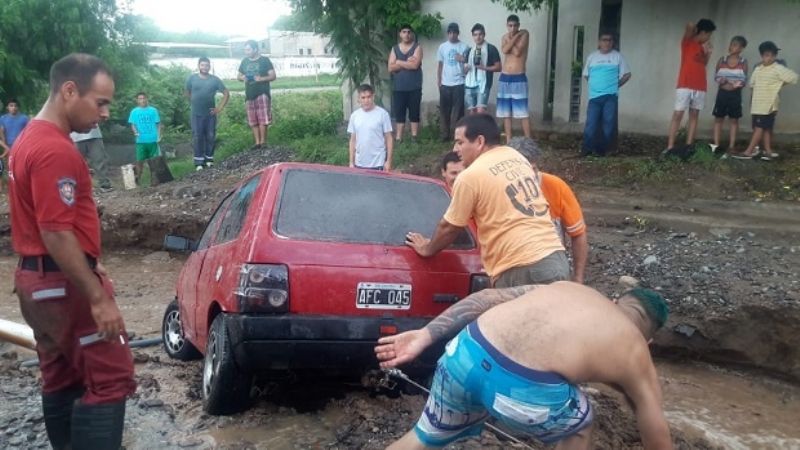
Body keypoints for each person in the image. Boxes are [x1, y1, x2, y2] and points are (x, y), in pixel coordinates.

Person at [8, 53, 135, 450]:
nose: (104, 113)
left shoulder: (27, 139)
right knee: (111, 377)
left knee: (61, 375)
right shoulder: (55, 151)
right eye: (100, 102)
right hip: (65, 285)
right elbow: (56, 232)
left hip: (36, 284)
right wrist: (97, 297)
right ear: (68, 91)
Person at [375, 282, 673, 450]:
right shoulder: (636, 348)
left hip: (464, 352)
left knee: (424, 437)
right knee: (580, 424)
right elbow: (656, 435)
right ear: (649, 341)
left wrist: (426, 334)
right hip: (521, 387)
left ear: (614, 299)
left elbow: (488, 297)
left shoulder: (569, 287)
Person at [405, 114, 568, 287]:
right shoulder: (517, 157)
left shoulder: (470, 176)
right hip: (555, 259)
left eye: (460, 142)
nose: (456, 149)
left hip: (520, 267)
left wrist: (427, 248)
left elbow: (450, 227)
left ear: (480, 142)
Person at [510, 137, 588, 283]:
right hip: (511, 268)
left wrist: (578, 277)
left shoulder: (556, 187)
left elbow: (578, 233)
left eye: (532, 169)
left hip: (549, 269)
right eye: (522, 171)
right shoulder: (498, 190)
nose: (528, 176)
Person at [731, 41, 798, 160]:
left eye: (773, 55)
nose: (770, 58)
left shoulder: (778, 68)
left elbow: (794, 78)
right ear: (762, 56)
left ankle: (748, 151)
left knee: (759, 128)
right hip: (757, 105)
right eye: (767, 55)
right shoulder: (758, 69)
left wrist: (779, 84)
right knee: (766, 128)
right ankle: (768, 151)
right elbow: (752, 84)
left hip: (769, 105)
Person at [665, 19, 716, 153]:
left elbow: (703, 63)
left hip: (700, 86)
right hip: (685, 84)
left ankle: (689, 146)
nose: (709, 38)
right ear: (703, 32)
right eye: (709, 34)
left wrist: (708, 53)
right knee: (678, 114)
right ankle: (670, 146)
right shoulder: (687, 42)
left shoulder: (702, 47)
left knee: (694, 115)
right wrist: (695, 31)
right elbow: (690, 25)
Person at [581, 32, 631, 157]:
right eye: (604, 40)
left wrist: (616, 85)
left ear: (612, 42)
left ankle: (603, 151)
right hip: (594, 97)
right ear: (599, 42)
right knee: (591, 124)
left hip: (610, 97)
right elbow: (586, 75)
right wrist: (595, 86)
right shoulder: (592, 57)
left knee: (608, 125)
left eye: (609, 40)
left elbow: (627, 74)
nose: (607, 42)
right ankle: (587, 150)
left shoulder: (617, 57)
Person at [185, 56, 230, 170]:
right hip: (196, 113)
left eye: (207, 65)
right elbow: (187, 92)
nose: (205, 67)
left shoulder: (215, 80)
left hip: (210, 114)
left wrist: (219, 108)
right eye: (203, 65)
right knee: (197, 136)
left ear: (209, 66)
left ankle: (209, 159)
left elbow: (226, 93)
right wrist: (194, 102)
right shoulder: (192, 78)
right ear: (199, 66)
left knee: (210, 136)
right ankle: (199, 162)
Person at [711, 36, 748, 154]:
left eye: (736, 45)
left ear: (741, 48)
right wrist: (723, 81)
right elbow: (716, 76)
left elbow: (744, 80)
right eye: (732, 44)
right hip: (722, 94)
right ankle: (716, 144)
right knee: (718, 118)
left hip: (735, 95)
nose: (732, 47)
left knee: (734, 120)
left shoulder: (743, 62)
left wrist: (738, 84)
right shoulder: (722, 60)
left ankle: (731, 146)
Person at [497, 14, 531, 143]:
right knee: (506, 112)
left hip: (519, 77)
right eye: (510, 26)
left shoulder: (525, 35)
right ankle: (508, 140)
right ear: (507, 26)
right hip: (505, 77)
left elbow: (517, 52)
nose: (512, 28)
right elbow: (505, 50)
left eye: (515, 26)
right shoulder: (504, 37)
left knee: (522, 112)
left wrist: (514, 37)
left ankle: (528, 140)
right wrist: (515, 37)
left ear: (519, 25)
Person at [237, 40, 276, 150]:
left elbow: (273, 76)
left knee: (263, 118)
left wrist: (261, 79)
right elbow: (238, 76)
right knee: (252, 119)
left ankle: (263, 142)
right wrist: (242, 78)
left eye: (248, 49)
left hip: (262, 92)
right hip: (249, 94)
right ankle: (257, 143)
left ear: (255, 49)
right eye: (245, 49)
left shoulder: (265, 60)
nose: (246, 52)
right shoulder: (244, 61)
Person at [388, 24, 423, 143]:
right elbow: (390, 68)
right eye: (404, 32)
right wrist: (405, 63)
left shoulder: (417, 47)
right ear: (400, 34)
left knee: (414, 112)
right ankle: (399, 138)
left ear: (411, 33)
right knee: (399, 113)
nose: (406, 34)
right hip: (399, 87)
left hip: (414, 86)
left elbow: (414, 65)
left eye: (408, 32)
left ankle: (414, 137)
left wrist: (398, 62)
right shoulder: (394, 48)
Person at [348, 84, 394, 171]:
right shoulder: (354, 116)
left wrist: (388, 161)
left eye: (369, 97)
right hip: (359, 163)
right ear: (358, 99)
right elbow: (352, 140)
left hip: (378, 163)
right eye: (363, 97)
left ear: (373, 97)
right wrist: (351, 162)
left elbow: (389, 138)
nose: (366, 100)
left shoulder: (383, 114)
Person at [437, 22, 469, 142]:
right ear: (447, 34)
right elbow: (440, 64)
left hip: (459, 83)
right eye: (450, 33)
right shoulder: (442, 47)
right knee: (444, 111)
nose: (452, 35)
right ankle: (444, 135)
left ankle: (457, 136)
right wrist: (439, 80)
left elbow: (468, 65)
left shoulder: (464, 47)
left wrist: (463, 59)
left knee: (458, 112)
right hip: (445, 83)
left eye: (454, 33)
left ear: (458, 33)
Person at [464, 23, 502, 115]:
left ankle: (481, 129)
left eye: (480, 34)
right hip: (470, 83)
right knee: (471, 111)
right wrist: (466, 68)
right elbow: (464, 70)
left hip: (484, 84)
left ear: (484, 35)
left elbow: (499, 67)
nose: (478, 37)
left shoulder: (491, 49)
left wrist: (483, 67)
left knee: (480, 111)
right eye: (475, 35)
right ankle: (473, 129)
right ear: (472, 36)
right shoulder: (469, 50)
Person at [127, 92, 163, 187]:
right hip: (140, 141)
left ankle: (154, 181)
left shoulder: (153, 110)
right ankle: (137, 181)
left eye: (144, 98)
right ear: (137, 100)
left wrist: (159, 136)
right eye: (140, 98)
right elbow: (133, 124)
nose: (142, 100)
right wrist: (135, 132)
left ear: (147, 99)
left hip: (152, 139)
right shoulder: (134, 112)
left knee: (154, 162)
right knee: (139, 162)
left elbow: (158, 124)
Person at [70, 126, 114, 191]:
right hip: (75, 137)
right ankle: (74, 186)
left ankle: (105, 184)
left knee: (99, 159)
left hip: (94, 135)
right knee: (75, 162)